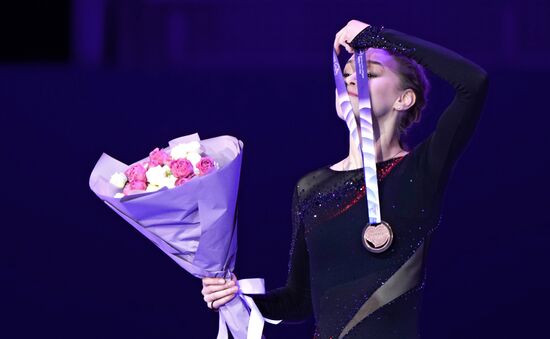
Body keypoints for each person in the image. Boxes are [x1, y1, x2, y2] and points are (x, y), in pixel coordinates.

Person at [201, 19, 489, 338]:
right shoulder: (311, 187)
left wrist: (378, 37)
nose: (353, 76)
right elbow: (299, 301)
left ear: (403, 99)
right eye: (349, 72)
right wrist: (237, 300)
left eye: (372, 72)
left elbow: (473, 83)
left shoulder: (421, 170)